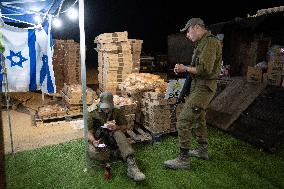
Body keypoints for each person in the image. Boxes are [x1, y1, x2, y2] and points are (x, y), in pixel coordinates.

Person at [164, 18, 222, 169]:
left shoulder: (209, 42)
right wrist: (184, 68)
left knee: (183, 121)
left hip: (204, 88)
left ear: (196, 27)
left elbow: (205, 70)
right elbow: (197, 67)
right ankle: (202, 151)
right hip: (198, 87)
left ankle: (183, 160)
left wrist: (185, 68)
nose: (187, 35)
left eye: (188, 31)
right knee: (199, 120)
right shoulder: (201, 43)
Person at [87, 92, 145, 181]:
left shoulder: (117, 110)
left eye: (108, 107)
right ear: (100, 103)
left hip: (112, 135)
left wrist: (117, 127)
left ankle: (132, 167)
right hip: (98, 138)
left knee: (119, 133)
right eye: (104, 107)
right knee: (94, 153)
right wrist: (94, 141)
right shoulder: (92, 112)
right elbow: (88, 132)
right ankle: (115, 152)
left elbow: (125, 126)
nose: (106, 109)